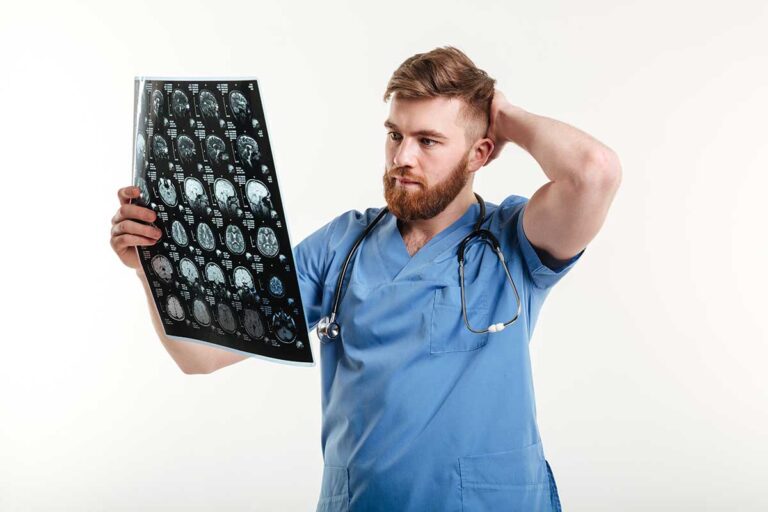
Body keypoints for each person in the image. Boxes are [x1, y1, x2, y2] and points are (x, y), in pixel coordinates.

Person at [110, 46, 621, 512]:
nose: (402, 158)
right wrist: (150, 269)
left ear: (481, 153)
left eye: (428, 141)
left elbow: (594, 171)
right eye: (395, 134)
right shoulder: (341, 246)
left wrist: (503, 114)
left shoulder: (515, 241)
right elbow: (200, 355)